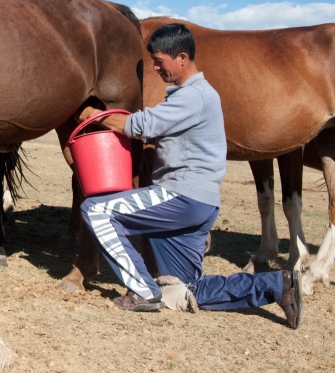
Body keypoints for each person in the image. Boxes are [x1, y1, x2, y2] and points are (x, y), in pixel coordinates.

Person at [77, 23, 303, 328]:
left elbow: (143, 125)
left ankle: (143, 291)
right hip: (199, 204)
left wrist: (97, 117)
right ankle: (278, 285)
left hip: (182, 197)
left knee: (96, 211)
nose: (155, 68)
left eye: (159, 61)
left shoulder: (194, 96)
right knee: (186, 287)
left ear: (182, 58)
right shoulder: (193, 96)